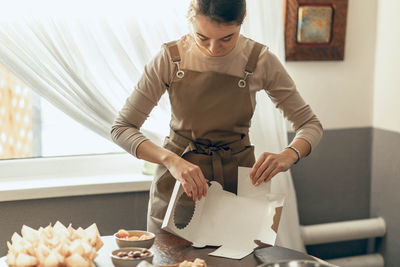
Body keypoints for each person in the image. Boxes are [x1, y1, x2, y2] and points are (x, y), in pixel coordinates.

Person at [111, 0, 322, 233]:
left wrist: (290, 154)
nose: (213, 49)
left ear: (242, 20)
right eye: (202, 37)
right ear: (190, 18)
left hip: (238, 186)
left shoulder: (261, 61)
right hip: (179, 185)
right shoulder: (170, 59)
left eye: (226, 39)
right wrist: (171, 160)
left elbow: (310, 125)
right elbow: (122, 128)